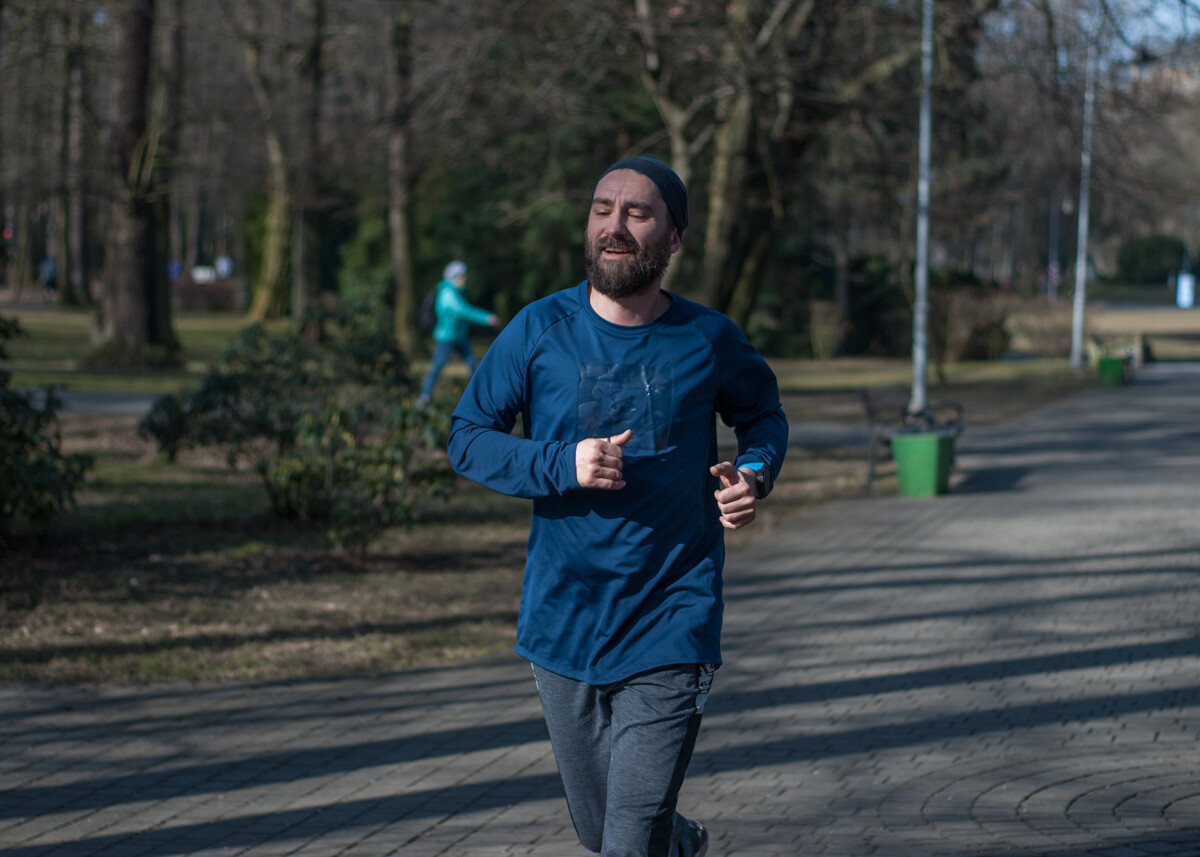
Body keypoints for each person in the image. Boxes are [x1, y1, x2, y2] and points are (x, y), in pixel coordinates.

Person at [447, 155, 788, 857]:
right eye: (604, 209)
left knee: (626, 844)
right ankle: (681, 841)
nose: (616, 226)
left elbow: (765, 417)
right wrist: (558, 461)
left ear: (673, 239)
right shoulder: (540, 329)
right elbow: (467, 438)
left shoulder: (708, 338)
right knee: (601, 831)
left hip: (672, 613)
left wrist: (752, 474)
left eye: (638, 213)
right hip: (563, 617)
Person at [417, 261, 499, 404]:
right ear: (452, 277)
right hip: (446, 338)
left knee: (473, 365)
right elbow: (463, 311)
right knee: (437, 367)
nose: (464, 279)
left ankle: (485, 396)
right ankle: (424, 397)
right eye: (461, 276)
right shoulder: (448, 294)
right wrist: (487, 318)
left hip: (460, 337)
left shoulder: (458, 292)